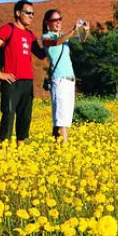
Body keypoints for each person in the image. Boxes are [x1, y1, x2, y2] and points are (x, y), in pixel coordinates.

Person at [0, 0, 45, 143]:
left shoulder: (31, 35)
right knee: (9, 114)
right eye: (28, 13)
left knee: (25, 117)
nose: (31, 16)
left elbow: (42, 54)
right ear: (18, 13)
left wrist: (57, 38)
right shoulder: (7, 29)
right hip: (11, 80)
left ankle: (20, 151)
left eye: (33, 13)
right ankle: (4, 149)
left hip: (27, 81)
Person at [41, 8, 89, 142]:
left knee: (65, 118)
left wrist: (85, 31)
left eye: (60, 19)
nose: (58, 22)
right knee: (61, 117)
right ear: (47, 23)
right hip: (59, 79)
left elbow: (82, 40)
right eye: (54, 20)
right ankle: (64, 147)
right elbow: (55, 42)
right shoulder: (46, 37)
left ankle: (56, 146)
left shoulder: (63, 36)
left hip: (70, 79)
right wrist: (73, 30)